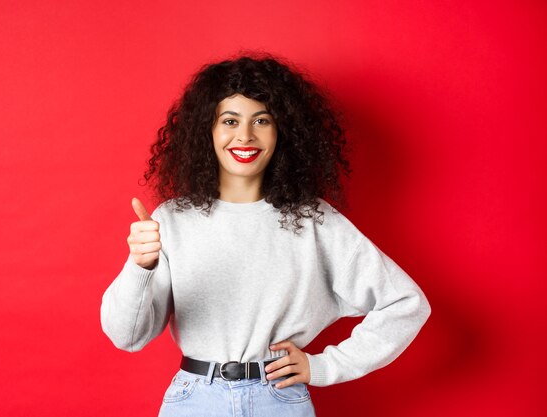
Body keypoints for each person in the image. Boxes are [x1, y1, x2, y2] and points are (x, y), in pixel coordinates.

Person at [100, 53, 431, 417]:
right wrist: (140, 266)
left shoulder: (314, 219)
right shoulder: (172, 220)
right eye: (230, 120)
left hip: (278, 399)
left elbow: (405, 303)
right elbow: (126, 336)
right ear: (206, 131)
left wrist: (323, 366)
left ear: (282, 131)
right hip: (195, 400)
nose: (245, 135)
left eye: (262, 120)